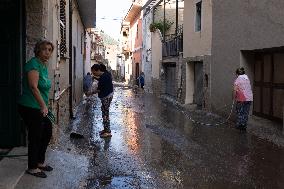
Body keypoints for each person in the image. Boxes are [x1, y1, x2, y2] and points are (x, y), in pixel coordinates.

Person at [18, 40, 54, 178]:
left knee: (47, 132)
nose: (47, 52)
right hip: (30, 106)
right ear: (38, 50)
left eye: (50, 50)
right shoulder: (33, 64)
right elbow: (33, 87)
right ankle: (32, 167)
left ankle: (39, 161)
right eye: (44, 49)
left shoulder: (43, 66)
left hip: (40, 107)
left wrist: (45, 106)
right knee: (35, 136)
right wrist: (43, 106)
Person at [91, 64, 114, 138]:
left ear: (98, 70)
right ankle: (105, 129)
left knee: (105, 114)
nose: (94, 74)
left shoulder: (103, 78)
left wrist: (90, 93)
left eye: (94, 73)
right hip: (109, 95)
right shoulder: (106, 74)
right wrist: (95, 77)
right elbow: (102, 79)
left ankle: (108, 132)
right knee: (104, 112)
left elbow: (99, 89)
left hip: (106, 97)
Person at [233, 67, 253, 132]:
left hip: (242, 99)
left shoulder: (238, 79)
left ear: (237, 74)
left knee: (239, 111)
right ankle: (244, 126)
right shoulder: (247, 78)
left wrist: (233, 97)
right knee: (246, 112)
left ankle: (239, 125)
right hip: (249, 98)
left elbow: (235, 90)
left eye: (236, 74)